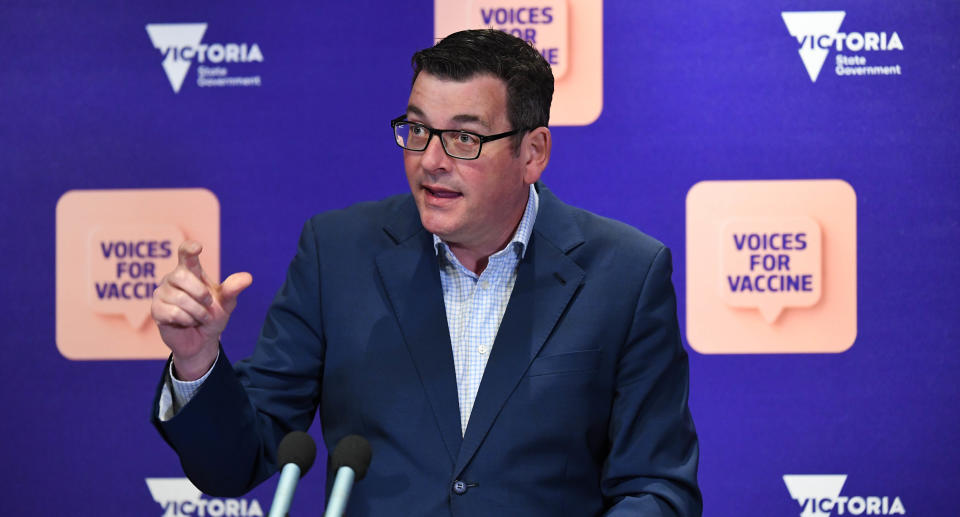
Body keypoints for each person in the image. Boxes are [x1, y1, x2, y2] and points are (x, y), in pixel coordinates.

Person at [151, 29, 701, 516]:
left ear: (533, 152)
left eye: (465, 138)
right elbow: (233, 464)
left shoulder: (625, 274)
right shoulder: (337, 254)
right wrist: (198, 360)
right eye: (417, 130)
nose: (431, 160)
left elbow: (656, 488)